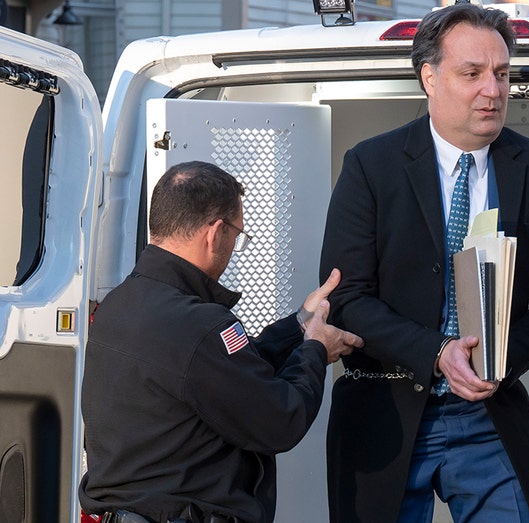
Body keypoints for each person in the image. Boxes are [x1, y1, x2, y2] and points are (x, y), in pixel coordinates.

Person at [319, 3, 529, 522]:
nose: (493, 89)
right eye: (473, 73)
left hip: (490, 418)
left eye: (502, 73)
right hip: (385, 417)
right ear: (429, 77)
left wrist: (497, 361)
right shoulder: (370, 165)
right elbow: (345, 298)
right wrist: (438, 353)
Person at [79, 161, 363, 523]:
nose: (233, 248)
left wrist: (299, 324)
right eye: (238, 236)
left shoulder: (119, 304)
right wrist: (316, 350)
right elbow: (280, 419)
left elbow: (229, 375)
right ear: (215, 233)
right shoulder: (198, 326)